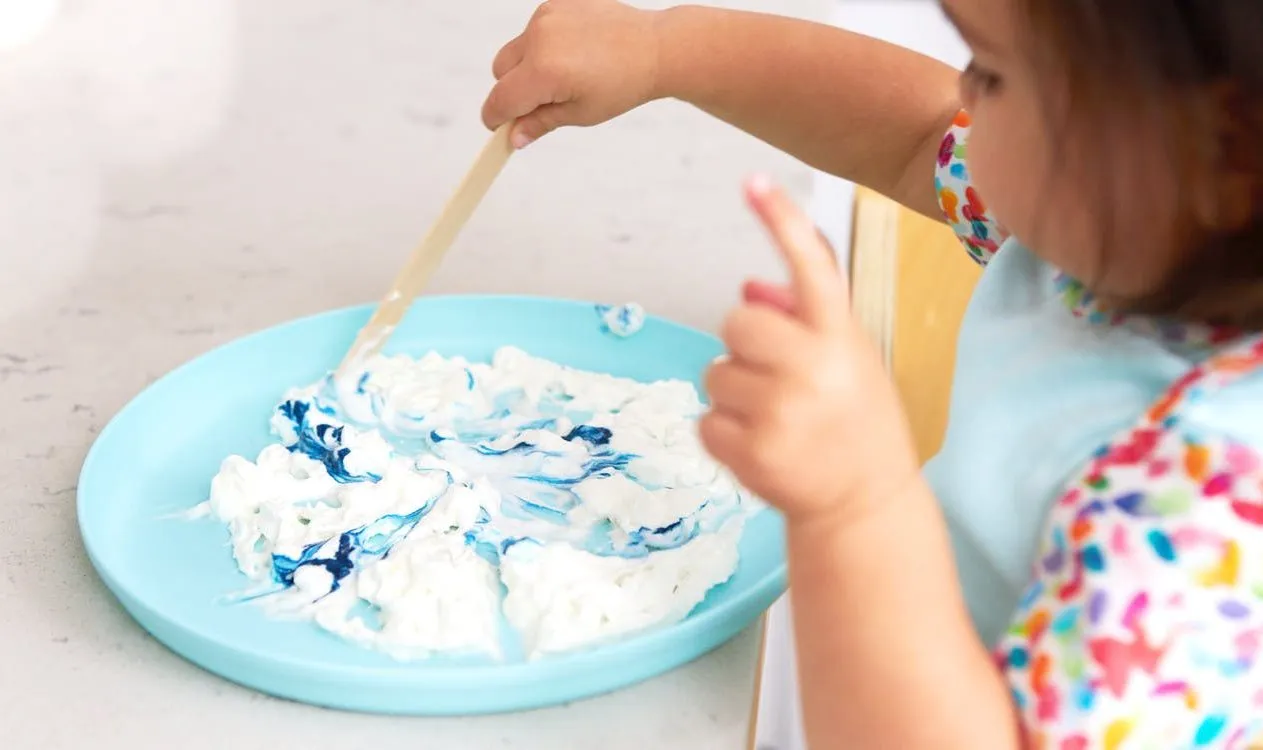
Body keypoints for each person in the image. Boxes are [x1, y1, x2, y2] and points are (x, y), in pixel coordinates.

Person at [482, 1, 1263, 747]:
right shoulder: (1122, 218)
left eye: (989, 73)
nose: (959, 93)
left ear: (1217, 157)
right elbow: (915, 133)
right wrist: (664, 49)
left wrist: (854, 503)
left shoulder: (1207, 507)